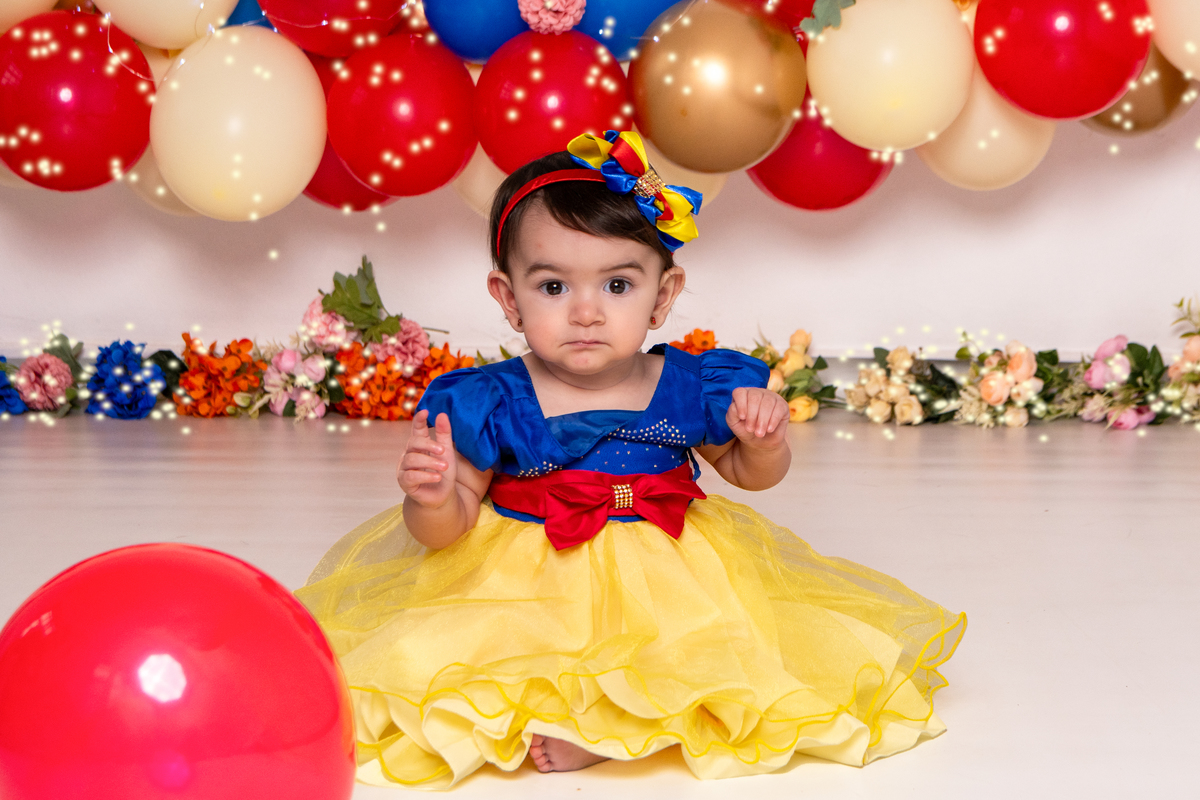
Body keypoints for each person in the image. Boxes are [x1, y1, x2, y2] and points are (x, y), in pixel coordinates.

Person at [297, 131, 965, 790]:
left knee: (700, 648)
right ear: (508, 297)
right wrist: (434, 496)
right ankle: (584, 715)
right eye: (553, 287)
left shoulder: (691, 385)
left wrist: (764, 444)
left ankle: (613, 724)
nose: (586, 313)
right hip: (531, 569)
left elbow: (746, 474)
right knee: (480, 654)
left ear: (663, 296)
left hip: (668, 565)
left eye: (618, 285)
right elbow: (448, 530)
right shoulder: (489, 401)